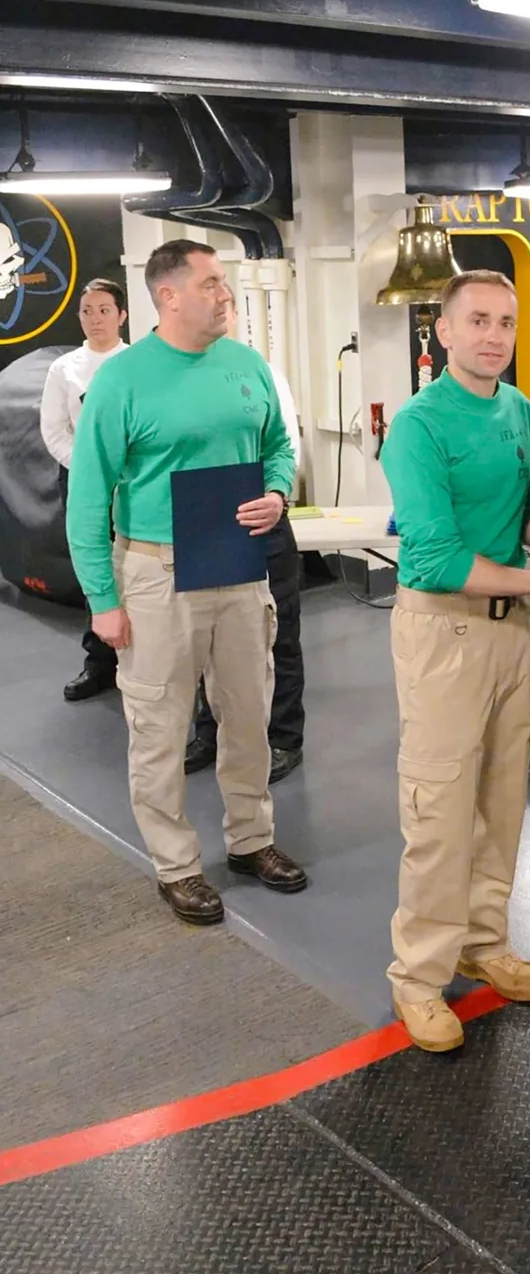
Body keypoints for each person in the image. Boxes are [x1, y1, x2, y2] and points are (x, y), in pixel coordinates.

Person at [66, 239, 307, 926]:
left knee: (248, 715)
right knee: (160, 727)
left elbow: (279, 446)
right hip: (154, 571)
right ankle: (176, 865)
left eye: (224, 282)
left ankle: (251, 838)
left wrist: (277, 491)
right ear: (169, 295)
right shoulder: (123, 378)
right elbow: (88, 498)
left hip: (238, 563)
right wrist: (102, 601)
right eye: (210, 283)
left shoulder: (247, 365)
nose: (224, 293)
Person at [380, 269, 530, 1054]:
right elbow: (432, 557)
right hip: (446, 633)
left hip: (512, 631)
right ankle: (419, 976)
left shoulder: (509, 407)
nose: (495, 336)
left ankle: (482, 938)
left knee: (501, 798)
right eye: (479, 322)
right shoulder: (419, 425)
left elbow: (523, 522)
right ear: (445, 331)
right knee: (439, 809)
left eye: (506, 322)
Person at [185, 289, 305, 784]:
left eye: (227, 304)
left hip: (261, 520)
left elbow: (286, 443)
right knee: (204, 640)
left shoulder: (259, 371)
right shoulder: (174, 376)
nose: (219, 310)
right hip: (199, 525)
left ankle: (283, 739)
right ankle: (210, 732)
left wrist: (277, 495)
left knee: (279, 637)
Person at [39, 278, 129, 701]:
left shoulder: (136, 365)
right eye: (87, 311)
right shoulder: (65, 369)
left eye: (104, 309)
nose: (96, 319)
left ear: (122, 315)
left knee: (134, 570)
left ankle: (140, 659)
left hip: (133, 484)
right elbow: (54, 431)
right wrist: (94, 472)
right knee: (96, 570)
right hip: (83, 480)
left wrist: (120, 473)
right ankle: (99, 663)